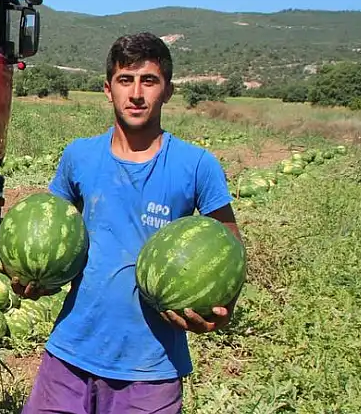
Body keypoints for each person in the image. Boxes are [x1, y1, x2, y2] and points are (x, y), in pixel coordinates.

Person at [13, 32, 242, 414]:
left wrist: (221, 308)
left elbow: (230, 246)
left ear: (167, 91)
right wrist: (34, 275)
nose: (136, 93)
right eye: (125, 80)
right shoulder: (79, 156)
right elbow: (49, 228)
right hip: (70, 352)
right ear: (108, 88)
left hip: (150, 367)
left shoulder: (197, 165)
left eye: (149, 81)